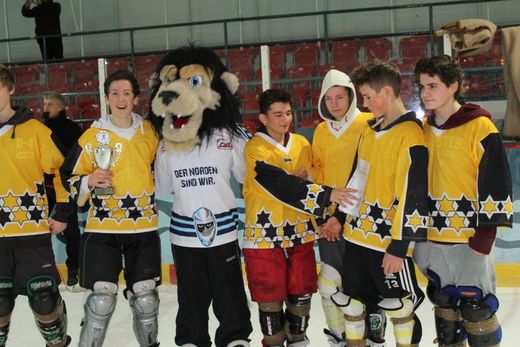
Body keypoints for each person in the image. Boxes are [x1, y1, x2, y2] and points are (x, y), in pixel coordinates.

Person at [323, 60, 429, 347]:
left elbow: (414, 194)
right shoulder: (369, 131)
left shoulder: (411, 134)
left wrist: (399, 245)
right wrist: (340, 218)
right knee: (353, 305)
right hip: (358, 237)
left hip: (387, 243)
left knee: (400, 307)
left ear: (387, 91)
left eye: (368, 96)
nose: (365, 103)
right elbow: (356, 179)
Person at [242, 88, 356, 347]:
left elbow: (316, 175)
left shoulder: (303, 144)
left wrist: (325, 219)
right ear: (263, 118)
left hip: (301, 234)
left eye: (289, 113)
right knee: (270, 305)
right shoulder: (254, 148)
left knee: (301, 298)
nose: (285, 120)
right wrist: (327, 195)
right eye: (278, 114)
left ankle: (298, 341)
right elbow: (277, 184)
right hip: (264, 238)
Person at [414, 55, 512, 347]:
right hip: (430, 238)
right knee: (444, 305)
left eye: (433, 86)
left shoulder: (479, 127)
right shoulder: (421, 129)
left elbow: (495, 182)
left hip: (468, 239)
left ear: (453, 86)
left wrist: (485, 235)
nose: (425, 93)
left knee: (476, 307)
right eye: (421, 87)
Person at [60, 70, 161, 347]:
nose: (120, 98)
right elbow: (67, 175)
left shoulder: (151, 132)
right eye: (114, 93)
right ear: (106, 98)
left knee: (146, 298)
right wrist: (88, 180)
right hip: (102, 229)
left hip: (143, 228)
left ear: (136, 98)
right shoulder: (92, 136)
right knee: (102, 298)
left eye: (126, 93)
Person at [311, 69, 386, 347]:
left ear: (352, 96)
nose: (334, 104)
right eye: (328, 98)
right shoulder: (320, 131)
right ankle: (340, 336)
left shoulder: (370, 123)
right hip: (331, 222)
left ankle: (375, 337)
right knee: (330, 284)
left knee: (370, 284)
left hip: (365, 220)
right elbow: (317, 175)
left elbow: (372, 170)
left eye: (340, 96)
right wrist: (319, 216)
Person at [0, 64, 71, 346]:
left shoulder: (35, 130)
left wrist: (64, 211)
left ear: (11, 89)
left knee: (45, 302)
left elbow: (63, 170)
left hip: (31, 236)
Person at [42, 92, 83, 291]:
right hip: (43, 187)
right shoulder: (40, 129)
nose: (45, 108)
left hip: (66, 187)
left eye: (49, 104)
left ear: (59, 107)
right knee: (38, 230)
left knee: (72, 230)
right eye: (44, 104)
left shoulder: (73, 129)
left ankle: (74, 270)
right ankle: (44, 270)